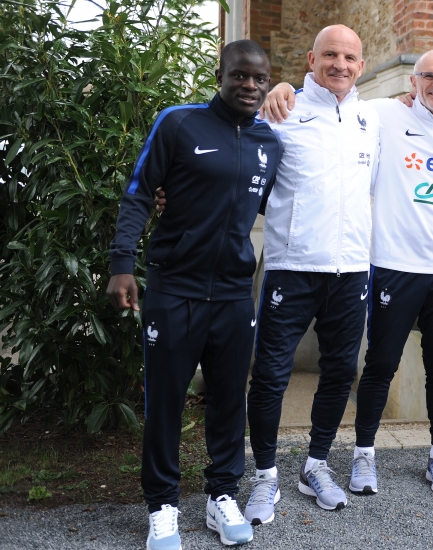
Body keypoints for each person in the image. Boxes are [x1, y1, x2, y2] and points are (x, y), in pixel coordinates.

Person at [262, 49, 433, 495]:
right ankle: (364, 455)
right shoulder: (381, 113)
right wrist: (283, 87)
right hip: (392, 264)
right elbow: (328, 99)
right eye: (428, 76)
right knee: (379, 364)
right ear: (413, 82)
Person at [107, 40, 281, 550]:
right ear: (220, 76)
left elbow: (270, 203)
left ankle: (220, 495)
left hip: (232, 293)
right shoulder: (179, 123)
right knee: (165, 399)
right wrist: (122, 266)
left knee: (229, 399)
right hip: (174, 288)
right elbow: (140, 191)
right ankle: (162, 505)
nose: (249, 86)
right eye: (239, 76)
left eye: (259, 78)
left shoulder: (270, 142)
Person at [242, 24, 379, 519]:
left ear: (362, 65)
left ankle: (315, 464)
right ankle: (264, 477)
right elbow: (242, 167)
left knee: (341, 370)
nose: (340, 64)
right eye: (330, 55)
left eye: (349, 57)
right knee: (271, 375)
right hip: (291, 268)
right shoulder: (281, 111)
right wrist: (274, 91)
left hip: (351, 272)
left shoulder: (371, 119)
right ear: (311, 58)